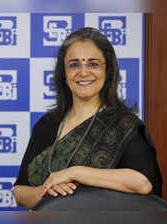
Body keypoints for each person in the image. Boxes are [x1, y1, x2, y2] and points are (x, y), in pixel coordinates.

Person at [13, 27, 162, 209]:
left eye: (93, 64)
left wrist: (74, 173)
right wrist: (49, 191)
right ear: (64, 74)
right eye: (74, 64)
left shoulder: (124, 125)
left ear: (107, 71)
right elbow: (19, 192)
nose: (83, 72)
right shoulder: (47, 124)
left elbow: (142, 183)